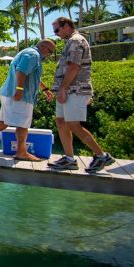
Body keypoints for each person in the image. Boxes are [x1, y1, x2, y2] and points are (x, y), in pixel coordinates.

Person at [46, 17, 115, 172]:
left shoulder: (76, 41)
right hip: (68, 89)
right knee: (61, 121)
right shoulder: (70, 42)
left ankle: (101, 156)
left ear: (67, 26)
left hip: (74, 89)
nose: (56, 34)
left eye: (57, 30)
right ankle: (69, 158)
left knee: (73, 124)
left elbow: (74, 67)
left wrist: (63, 88)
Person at [0, 40, 57, 161]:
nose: (50, 55)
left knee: (4, 120)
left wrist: (45, 89)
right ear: (44, 47)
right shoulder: (33, 55)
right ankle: (21, 152)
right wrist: (19, 89)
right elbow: (21, 71)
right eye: (50, 52)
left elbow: (33, 76)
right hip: (21, 95)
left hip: (9, 92)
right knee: (23, 124)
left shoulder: (29, 53)